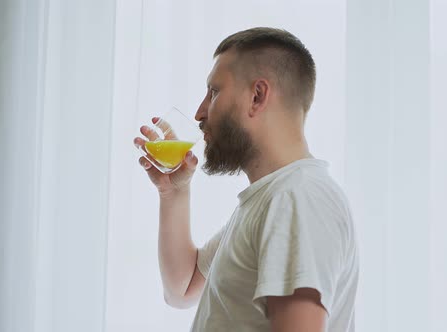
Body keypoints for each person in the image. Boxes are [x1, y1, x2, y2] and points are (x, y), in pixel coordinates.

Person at [134, 27, 358, 332]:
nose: (200, 113)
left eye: (214, 91)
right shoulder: (271, 200)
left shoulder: (296, 199)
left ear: (257, 96)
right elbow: (182, 288)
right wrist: (173, 192)